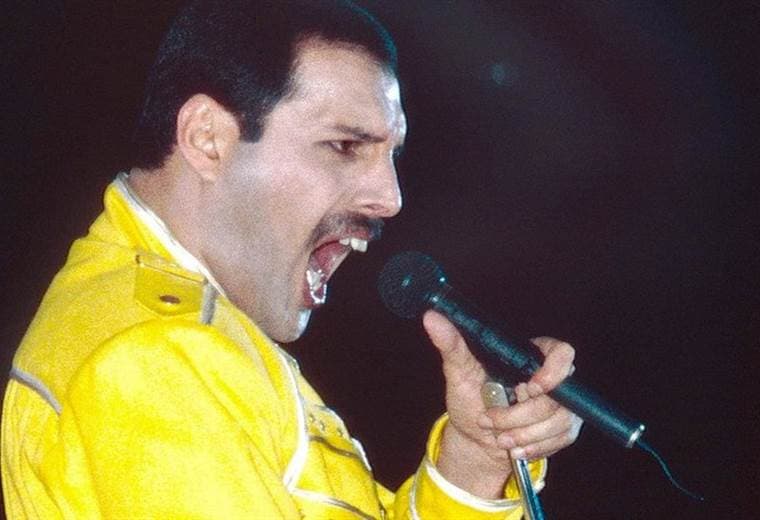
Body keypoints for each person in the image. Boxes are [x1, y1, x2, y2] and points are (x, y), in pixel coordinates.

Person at [1, 1, 582, 518]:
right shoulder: (154, 358)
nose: (390, 198)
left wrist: (476, 461)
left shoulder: (179, 334)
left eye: (391, 154)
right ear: (207, 138)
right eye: (345, 146)